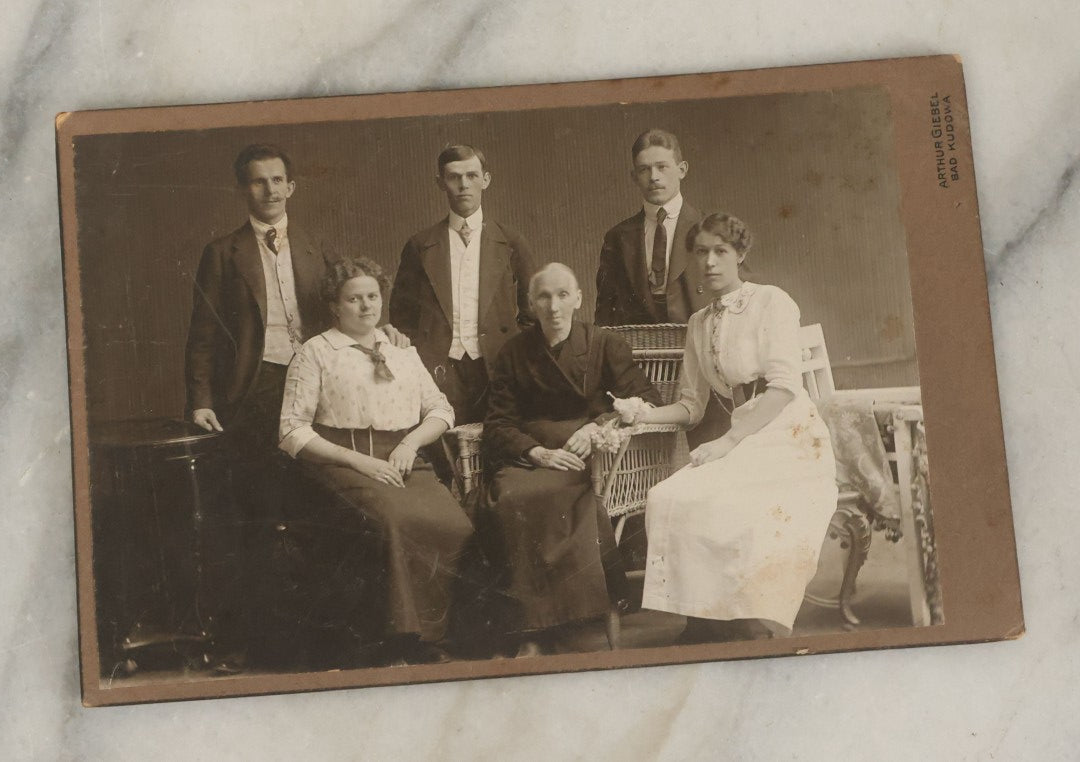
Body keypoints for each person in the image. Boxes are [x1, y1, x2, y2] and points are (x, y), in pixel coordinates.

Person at [617, 213, 838, 641]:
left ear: (740, 254)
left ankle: (748, 618)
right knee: (669, 496)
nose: (711, 262)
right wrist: (642, 413)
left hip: (789, 433)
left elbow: (783, 388)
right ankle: (700, 617)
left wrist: (729, 441)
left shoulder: (772, 301)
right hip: (742, 438)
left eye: (721, 251)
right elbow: (690, 405)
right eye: (701, 252)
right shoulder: (699, 324)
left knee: (736, 503)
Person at [278, 257, 475, 665]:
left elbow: (441, 409)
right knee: (392, 521)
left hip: (403, 459)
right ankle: (396, 644)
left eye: (372, 296)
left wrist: (410, 444)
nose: (366, 306)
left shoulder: (401, 351)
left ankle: (432, 638)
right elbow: (291, 431)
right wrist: (359, 462)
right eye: (354, 299)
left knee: (455, 524)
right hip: (341, 464)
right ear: (335, 306)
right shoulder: (316, 352)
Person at [479, 263, 661, 656]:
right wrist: (535, 452)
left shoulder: (604, 345)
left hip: (585, 457)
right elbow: (497, 422)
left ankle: (556, 622)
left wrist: (596, 427)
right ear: (530, 304)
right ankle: (531, 629)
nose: (554, 306)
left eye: (563, 295)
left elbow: (647, 401)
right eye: (543, 296)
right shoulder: (513, 352)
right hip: (531, 456)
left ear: (579, 299)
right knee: (509, 499)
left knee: (566, 497)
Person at [593, 128, 725, 449]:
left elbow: (737, 301)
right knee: (646, 461)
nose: (654, 176)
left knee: (711, 458)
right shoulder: (618, 237)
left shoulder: (712, 229)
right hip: (646, 369)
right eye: (644, 169)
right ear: (634, 176)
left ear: (682, 169)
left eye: (662, 167)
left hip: (706, 363)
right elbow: (604, 317)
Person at [389, 144, 534, 427]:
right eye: (454, 177)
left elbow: (531, 314)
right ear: (440, 183)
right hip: (440, 368)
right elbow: (401, 317)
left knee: (499, 443)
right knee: (447, 449)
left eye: (471, 175)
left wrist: (513, 354)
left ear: (486, 180)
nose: (463, 185)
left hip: (495, 365)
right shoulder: (420, 245)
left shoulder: (511, 242)